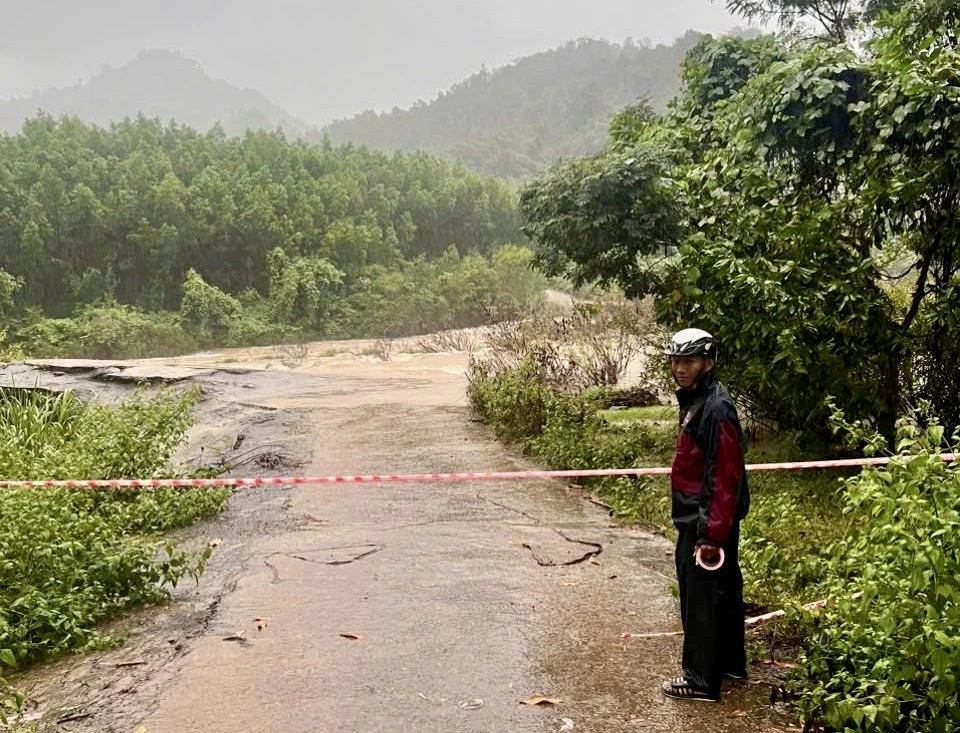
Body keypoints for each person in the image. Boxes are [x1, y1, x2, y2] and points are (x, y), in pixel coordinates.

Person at [660, 328, 750, 703]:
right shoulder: (698, 400)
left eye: (690, 361)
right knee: (723, 596)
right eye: (676, 361)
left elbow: (724, 472)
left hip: (706, 522)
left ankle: (700, 679)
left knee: (701, 602)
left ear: (708, 363)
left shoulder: (715, 407)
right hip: (707, 519)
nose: (681, 368)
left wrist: (710, 535)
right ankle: (728, 665)